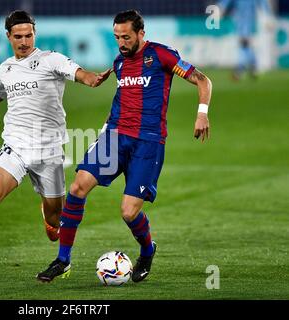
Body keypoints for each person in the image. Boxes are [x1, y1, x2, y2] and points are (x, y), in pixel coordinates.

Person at [0, 10, 112, 273]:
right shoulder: (6, 68)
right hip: (15, 145)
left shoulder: (51, 60)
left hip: (48, 150)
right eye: (18, 37)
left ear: (34, 34)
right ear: (8, 36)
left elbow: (78, 72)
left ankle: (50, 223)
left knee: (55, 219)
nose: (24, 42)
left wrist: (92, 79)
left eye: (28, 35)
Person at [36, 9, 212, 283]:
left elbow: (202, 80)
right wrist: (104, 132)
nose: (121, 42)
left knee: (129, 212)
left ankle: (147, 250)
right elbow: (122, 99)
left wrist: (202, 112)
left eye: (126, 37)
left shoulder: (162, 56)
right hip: (115, 137)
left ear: (141, 33)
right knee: (78, 186)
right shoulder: (120, 62)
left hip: (148, 142)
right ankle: (63, 259)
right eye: (117, 37)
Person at [218, 0, 273, 80]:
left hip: (250, 22)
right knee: (245, 45)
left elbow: (264, 5)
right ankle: (254, 66)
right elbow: (225, 3)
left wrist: (268, 19)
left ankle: (241, 69)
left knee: (244, 44)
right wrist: (220, 9)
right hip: (238, 22)